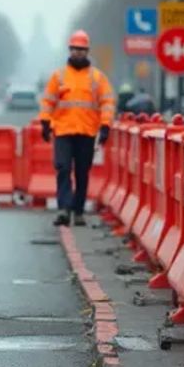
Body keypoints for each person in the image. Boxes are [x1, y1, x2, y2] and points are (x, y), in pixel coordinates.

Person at [39, 30, 115, 226]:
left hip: (87, 132)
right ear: (70, 50)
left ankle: (78, 210)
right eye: (75, 49)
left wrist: (105, 126)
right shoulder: (59, 76)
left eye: (81, 49)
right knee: (63, 168)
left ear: (87, 51)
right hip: (63, 131)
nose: (78, 53)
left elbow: (107, 102)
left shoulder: (97, 78)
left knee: (82, 172)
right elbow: (48, 100)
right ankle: (64, 209)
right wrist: (45, 122)